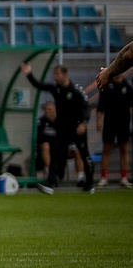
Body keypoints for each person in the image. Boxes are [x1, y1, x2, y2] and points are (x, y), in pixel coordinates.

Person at [20, 62, 94, 194]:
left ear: (65, 74)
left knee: (84, 155)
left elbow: (87, 107)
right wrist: (29, 74)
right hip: (62, 128)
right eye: (54, 74)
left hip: (77, 128)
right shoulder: (56, 89)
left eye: (57, 74)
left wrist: (84, 123)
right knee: (56, 154)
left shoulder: (75, 90)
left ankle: (89, 183)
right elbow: (39, 85)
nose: (55, 77)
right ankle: (50, 183)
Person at [95, 73, 132, 188]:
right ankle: (104, 177)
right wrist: (98, 121)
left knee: (124, 149)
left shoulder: (128, 86)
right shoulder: (107, 86)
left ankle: (124, 177)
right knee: (106, 149)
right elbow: (100, 106)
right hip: (109, 122)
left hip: (124, 122)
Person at [35, 101, 57, 179]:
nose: (47, 111)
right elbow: (39, 138)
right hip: (46, 147)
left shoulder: (60, 121)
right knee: (45, 146)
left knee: (76, 150)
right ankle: (49, 172)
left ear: (54, 110)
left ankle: (80, 177)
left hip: (58, 146)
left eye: (49, 109)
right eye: (45, 109)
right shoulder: (41, 121)